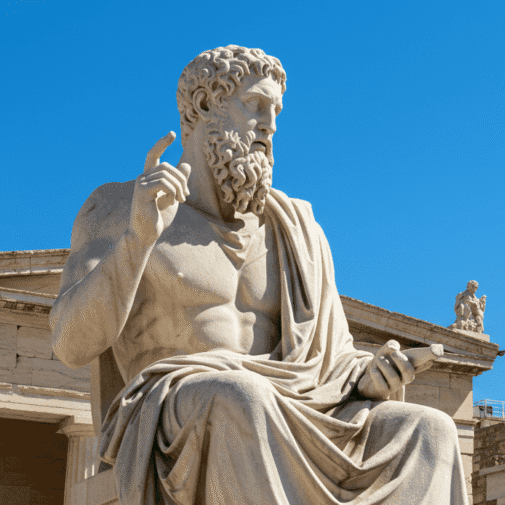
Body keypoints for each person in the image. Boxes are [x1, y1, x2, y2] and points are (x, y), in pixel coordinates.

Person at [49, 46, 468, 505]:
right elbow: (71, 343)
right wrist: (137, 241)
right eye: (255, 106)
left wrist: (368, 378)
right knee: (242, 396)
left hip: (297, 407)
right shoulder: (119, 206)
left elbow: (332, 363)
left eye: (276, 111)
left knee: (431, 431)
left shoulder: (296, 227)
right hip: (176, 408)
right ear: (206, 106)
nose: (270, 125)